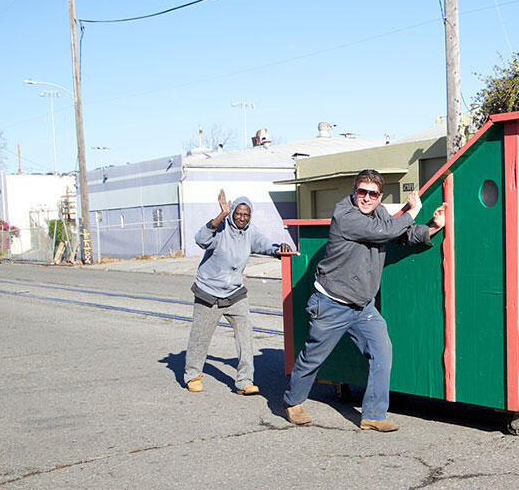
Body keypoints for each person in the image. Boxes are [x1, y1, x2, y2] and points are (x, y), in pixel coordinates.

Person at [282, 169, 446, 432]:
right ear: (354, 191)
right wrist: (412, 211)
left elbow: (398, 234)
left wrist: (434, 226)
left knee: (382, 352)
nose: (366, 198)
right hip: (331, 303)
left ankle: (373, 414)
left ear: (380, 196)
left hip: (362, 306)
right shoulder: (344, 215)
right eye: (362, 191)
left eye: (373, 193)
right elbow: (387, 230)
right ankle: (293, 401)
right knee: (313, 356)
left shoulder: (379, 215)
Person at [184, 189, 292, 395]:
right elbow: (201, 239)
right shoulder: (221, 229)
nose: (242, 218)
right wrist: (221, 216)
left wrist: (279, 248)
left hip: (234, 293)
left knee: (245, 336)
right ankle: (193, 375)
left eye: (246, 214)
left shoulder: (250, 231)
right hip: (209, 291)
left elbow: (264, 244)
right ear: (232, 213)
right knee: (200, 337)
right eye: (238, 213)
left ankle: (244, 381)